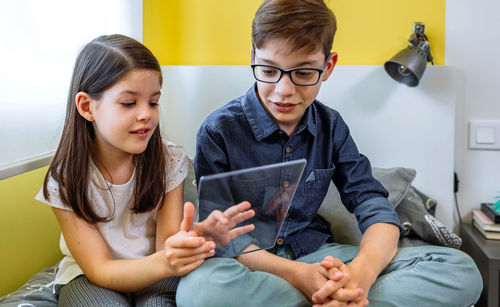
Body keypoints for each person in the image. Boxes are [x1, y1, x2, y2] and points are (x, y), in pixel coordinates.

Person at [176, 0, 483, 306]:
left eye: (305, 73)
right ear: (253, 57)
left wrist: (360, 276)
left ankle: (337, 298)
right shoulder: (219, 130)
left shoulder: (331, 126)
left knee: (461, 269)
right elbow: (225, 234)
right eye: (269, 70)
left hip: (319, 257)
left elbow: (374, 206)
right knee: (199, 291)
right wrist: (298, 275)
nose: (284, 90)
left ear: (328, 67)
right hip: (252, 265)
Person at [35, 34, 255, 307]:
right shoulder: (64, 179)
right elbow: (100, 269)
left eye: (153, 102)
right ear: (86, 106)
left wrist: (195, 237)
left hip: (158, 269)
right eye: (129, 103)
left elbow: (167, 245)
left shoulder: (168, 160)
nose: (146, 115)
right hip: (92, 277)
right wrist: (166, 260)